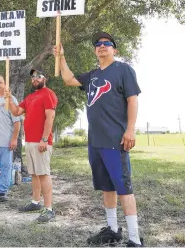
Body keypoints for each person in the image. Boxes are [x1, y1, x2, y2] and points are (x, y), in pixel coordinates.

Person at [53, 32, 144, 247]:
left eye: (107, 43)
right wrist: (61, 57)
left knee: (124, 188)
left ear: (115, 49)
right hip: (95, 142)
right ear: (95, 50)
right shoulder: (93, 75)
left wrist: (130, 130)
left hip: (116, 140)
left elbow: (132, 100)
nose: (102, 46)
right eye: (98, 44)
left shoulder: (123, 70)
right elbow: (68, 79)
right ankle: (112, 229)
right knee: (107, 187)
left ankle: (134, 238)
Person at [4, 67, 58, 223]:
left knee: (43, 174)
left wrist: (44, 139)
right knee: (34, 174)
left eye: (38, 76)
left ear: (44, 78)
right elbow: (15, 112)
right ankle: (35, 202)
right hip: (29, 142)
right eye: (33, 77)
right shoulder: (29, 97)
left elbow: (50, 118)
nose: (35, 78)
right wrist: (9, 98)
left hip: (41, 142)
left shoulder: (48, 94)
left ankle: (49, 209)